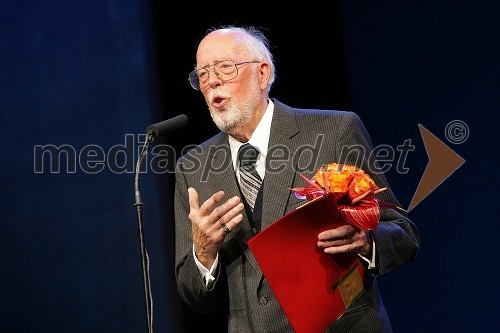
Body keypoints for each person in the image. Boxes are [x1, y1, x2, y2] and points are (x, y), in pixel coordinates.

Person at [174, 25, 420, 333]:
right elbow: (193, 295)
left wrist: (366, 241)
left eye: (225, 68)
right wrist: (203, 253)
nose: (212, 82)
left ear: (262, 74)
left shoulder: (333, 132)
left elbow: (403, 233)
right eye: (203, 75)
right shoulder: (194, 167)